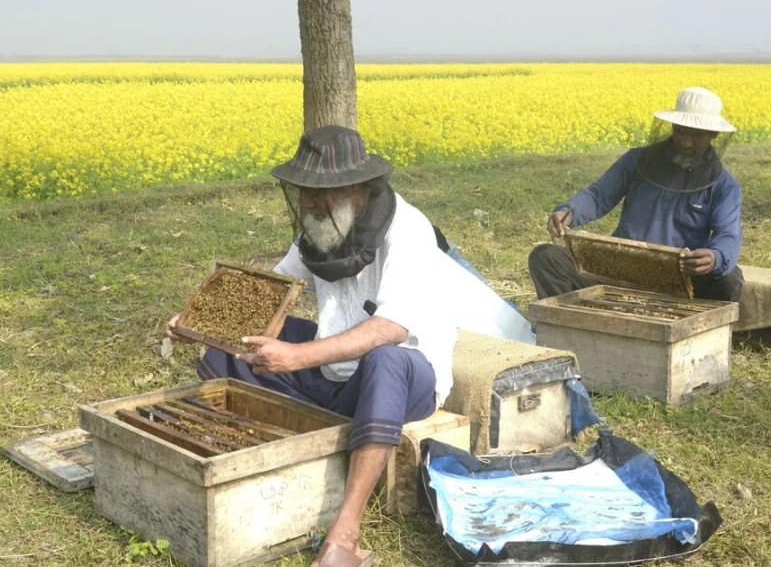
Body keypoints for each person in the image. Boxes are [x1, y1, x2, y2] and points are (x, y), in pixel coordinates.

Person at [166, 125, 534, 567]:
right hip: (333, 373)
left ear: (356, 190)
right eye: (303, 192)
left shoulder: (409, 231)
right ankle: (231, 449)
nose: (308, 203)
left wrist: (297, 356)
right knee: (228, 347)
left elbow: (392, 328)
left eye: (319, 193)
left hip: (403, 379)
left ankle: (345, 532)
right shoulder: (319, 229)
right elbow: (273, 291)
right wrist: (202, 320)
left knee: (385, 360)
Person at [529, 86, 744, 302]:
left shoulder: (725, 186)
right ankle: (573, 326)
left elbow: (728, 235)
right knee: (546, 258)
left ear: (714, 134)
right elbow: (597, 196)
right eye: (680, 131)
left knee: (730, 279)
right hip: (617, 268)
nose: (686, 142)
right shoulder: (637, 161)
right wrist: (568, 212)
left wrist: (714, 258)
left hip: (679, 279)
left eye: (696, 135)